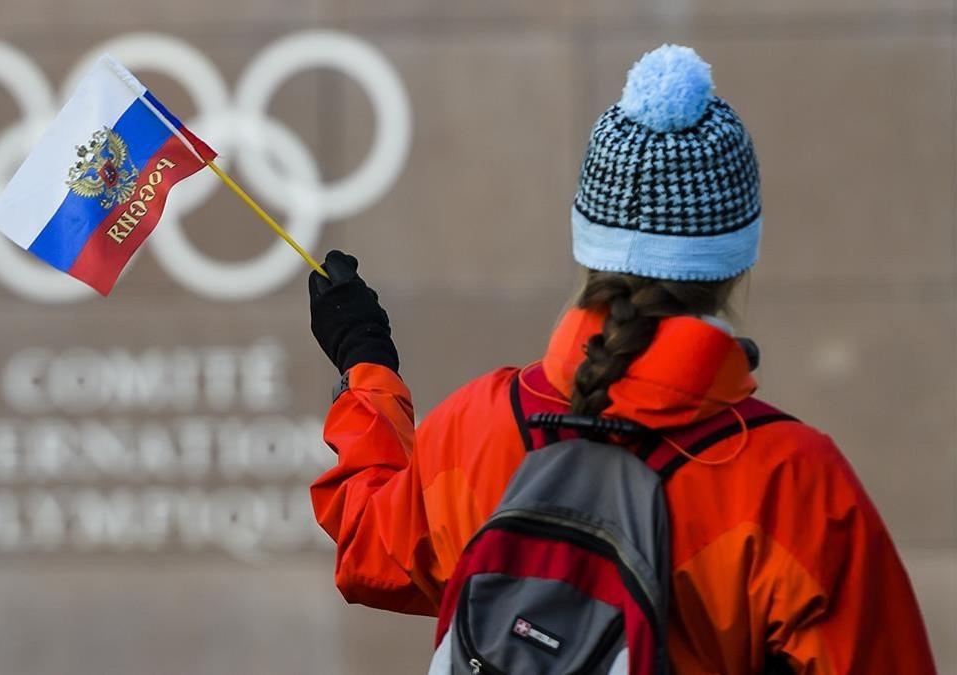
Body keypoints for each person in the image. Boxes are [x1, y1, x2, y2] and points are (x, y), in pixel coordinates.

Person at [305, 44, 936, 673]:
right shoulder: (794, 485)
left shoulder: (481, 423)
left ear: (588, 239)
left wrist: (364, 360)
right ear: (736, 259)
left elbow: (370, 546)